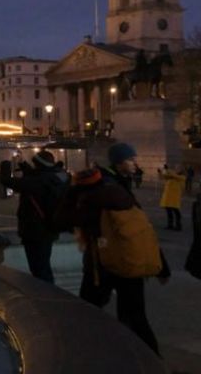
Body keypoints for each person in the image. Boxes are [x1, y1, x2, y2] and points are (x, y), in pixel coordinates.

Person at [55, 143, 170, 355]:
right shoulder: (109, 189)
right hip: (112, 260)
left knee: (95, 310)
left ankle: (91, 353)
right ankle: (148, 360)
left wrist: (73, 191)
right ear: (119, 162)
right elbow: (141, 228)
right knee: (129, 315)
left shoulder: (106, 185)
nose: (135, 163)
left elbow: (65, 219)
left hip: (106, 259)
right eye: (130, 159)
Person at [1, 151, 67, 283]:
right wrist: (29, 171)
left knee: (39, 269)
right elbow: (41, 178)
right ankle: (49, 295)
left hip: (33, 229)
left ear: (37, 164)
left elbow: (6, 180)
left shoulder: (35, 182)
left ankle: (47, 297)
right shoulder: (58, 178)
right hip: (50, 228)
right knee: (43, 264)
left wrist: (5, 163)